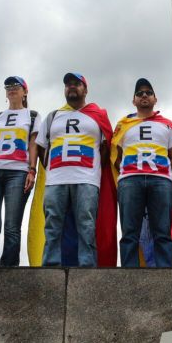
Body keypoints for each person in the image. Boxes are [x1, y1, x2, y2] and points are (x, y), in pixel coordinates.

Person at [35, 72, 114, 267]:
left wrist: (93, 168)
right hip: (56, 179)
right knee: (53, 225)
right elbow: (41, 146)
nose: (71, 86)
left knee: (86, 225)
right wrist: (52, 168)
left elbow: (106, 147)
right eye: (68, 84)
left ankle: (87, 267)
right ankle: (51, 266)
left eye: (76, 84)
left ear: (85, 90)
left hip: (87, 178)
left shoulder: (99, 115)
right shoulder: (53, 116)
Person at [0, 76, 41, 266]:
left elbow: (33, 144)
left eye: (16, 86)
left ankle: (9, 268)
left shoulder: (32, 115)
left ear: (25, 92)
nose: (12, 89)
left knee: (12, 226)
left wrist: (32, 170)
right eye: (8, 86)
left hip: (18, 171)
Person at [112, 78, 172, 267]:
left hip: (161, 180)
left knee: (162, 231)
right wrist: (126, 171)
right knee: (129, 232)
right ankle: (130, 275)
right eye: (139, 93)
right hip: (130, 180)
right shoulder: (122, 125)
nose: (144, 96)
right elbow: (115, 155)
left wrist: (163, 173)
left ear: (155, 99)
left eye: (148, 92)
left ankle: (165, 273)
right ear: (134, 100)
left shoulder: (168, 125)